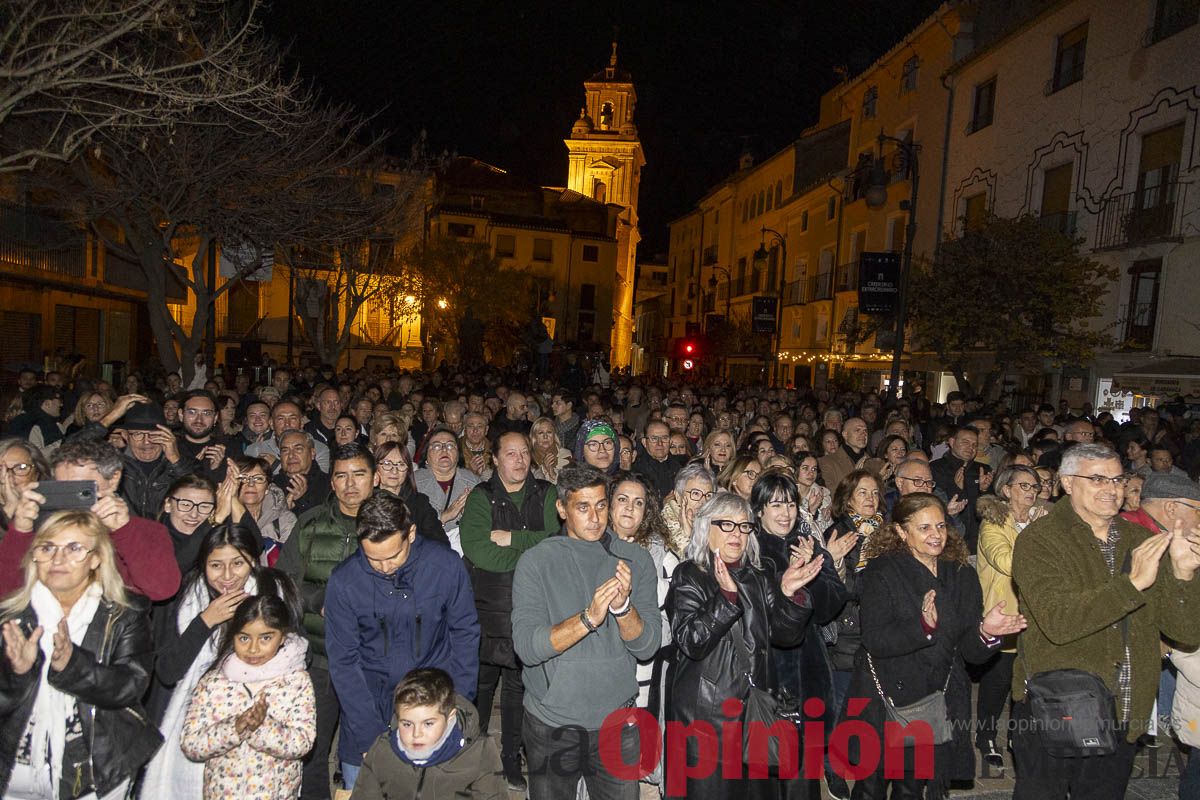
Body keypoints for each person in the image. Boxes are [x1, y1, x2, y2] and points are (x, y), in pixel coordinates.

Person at [1011, 443, 1200, 799]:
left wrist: (1185, 575)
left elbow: (1184, 631)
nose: (1112, 489)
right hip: (1058, 707)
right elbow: (1059, 621)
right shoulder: (1040, 540)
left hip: (1124, 711)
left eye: (1117, 479)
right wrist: (1131, 585)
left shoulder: (1140, 539)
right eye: (1097, 479)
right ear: (1067, 482)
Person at [839, 493, 1023, 799]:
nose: (935, 535)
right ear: (900, 531)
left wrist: (986, 632)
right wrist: (922, 628)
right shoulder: (882, 571)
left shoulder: (960, 572)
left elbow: (968, 653)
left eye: (940, 526)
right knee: (871, 786)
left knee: (911, 787)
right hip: (884, 699)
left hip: (935, 699)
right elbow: (875, 640)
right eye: (924, 528)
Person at [511, 464, 661, 800]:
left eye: (601, 505)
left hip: (616, 723)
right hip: (552, 722)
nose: (594, 518)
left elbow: (648, 646)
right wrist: (589, 619)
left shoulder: (634, 559)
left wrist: (623, 609)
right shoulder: (536, 562)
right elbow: (528, 647)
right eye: (582, 507)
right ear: (562, 508)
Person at [665, 491, 823, 800]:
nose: (737, 533)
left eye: (744, 526)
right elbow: (691, 641)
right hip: (707, 720)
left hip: (754, 713)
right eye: (726, 524)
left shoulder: (757, 577)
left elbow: (786, 636)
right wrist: (725, 599)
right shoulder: (690, 575)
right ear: (705, 528)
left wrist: (789, 594)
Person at [0, 511, 161, 800]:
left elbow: (131, 686)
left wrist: (72, 666)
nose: (58, 559)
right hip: (15, 767)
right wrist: (17, 674)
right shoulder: (10, 615)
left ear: (96, 558)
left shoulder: (124, 613)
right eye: (47, 547)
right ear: (34, 555)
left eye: (74, 548)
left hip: (94, 768)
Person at [324, 492, 479, 790]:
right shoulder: (345, 580)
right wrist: (369, 737)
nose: (383, 567)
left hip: (433, 710)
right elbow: (344, 662)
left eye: (392, 556)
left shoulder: (445, 567)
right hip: (369, 710)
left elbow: (465, 636)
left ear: (411, 533)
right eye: (372, 558)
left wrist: (456, 708)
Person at [140, 524, 289, 800]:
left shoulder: (273, 592)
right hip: (195, 726)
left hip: (258, 726)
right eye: (216, 565)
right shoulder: (187, 598)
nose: (228, 576)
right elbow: (167, 670)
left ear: (253, 562)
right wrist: (206, 620)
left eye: (238, 564)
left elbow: (295, 659)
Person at [458, 430, 559, 791]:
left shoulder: (547, 494)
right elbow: (478, 550)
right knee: (480, 689)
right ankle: (471, 757)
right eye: (510, 454)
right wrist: (531, 554)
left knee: (519, 689)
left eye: (524, 453)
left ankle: (510, 757)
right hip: (487, 609)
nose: (519, 460)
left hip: (531, 610)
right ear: (496, 459)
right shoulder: (482, 498)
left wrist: (512, 538)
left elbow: (555, 542)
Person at [277, 442, 378, 800]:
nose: (350, 484)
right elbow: (283, 582)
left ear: (376, 478)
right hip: (319, 659)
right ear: (331, 481)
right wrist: (320, 600)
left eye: (359, 475)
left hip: (374, 661)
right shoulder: (310, 523)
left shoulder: (392, 525)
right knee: (312, 750)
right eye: (341, 476)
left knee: (374, 749)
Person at [750, 471, 849, 800]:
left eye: (791, 503)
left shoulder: (808, 544)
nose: (785, 512)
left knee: (803, 777)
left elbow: (831, 607)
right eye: (775, 504)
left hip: (810, 668)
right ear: (759, 509)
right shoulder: (750, 552)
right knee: (767, 774)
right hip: (770, 673)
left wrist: (814, 571)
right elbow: (756, 616)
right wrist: (785, 586)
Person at [0, 437, 181, 602]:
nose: (71, 498)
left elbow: (162, 589)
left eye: (81, 489)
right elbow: (6, 594)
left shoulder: (145, 531)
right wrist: (20, 531)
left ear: (113, 479)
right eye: (63, 487)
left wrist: (124, 531)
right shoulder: (41, 529)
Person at [180, 592, 315, 800]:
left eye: (266, 638)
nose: (253, 649)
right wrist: (235, 727)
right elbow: (191, 744)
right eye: (244, 638)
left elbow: (302, 742)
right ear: (232, 636)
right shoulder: (215, 682)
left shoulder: (296, 681)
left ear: (283, 637)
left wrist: (261, 726)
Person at [974, 465, 1046, 768]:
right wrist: (1032, 533)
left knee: (1027, 683)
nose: (1031, 492)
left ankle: (1018, 738)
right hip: (1002, 613)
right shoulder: (994, 523)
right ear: (1007, 489)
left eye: (1035, 487)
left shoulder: (1041, 521)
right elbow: (1006, 561)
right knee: (998, 681)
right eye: (1024, 486)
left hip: (1034, 614)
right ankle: (986, 736)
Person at [351, 668, 506, 799]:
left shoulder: (479, 753)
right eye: (407, 724)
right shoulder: (382, 751)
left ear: (449, 717)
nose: (416, 734)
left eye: (428, 723)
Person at [823, 470, 885, 710]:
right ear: (848, 499)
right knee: (845, 710)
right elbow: (841, 585)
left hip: (881, 630)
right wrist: (880, 584)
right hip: (849, 632)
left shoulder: (888, 532)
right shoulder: (838, 533)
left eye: (875, 493)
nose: (871, 498)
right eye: (863, 492)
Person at [413, 425, 481, 556]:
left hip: (465, 552)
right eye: (437, 446)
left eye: (450, 446)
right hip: (424, 552)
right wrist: (444, 516)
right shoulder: (413, 482)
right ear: (426, 455)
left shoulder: (473, 482)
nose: (444, 449)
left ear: (458, 453)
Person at [930, 425, 993, 554]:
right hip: (948, 542)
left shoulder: (983, 470)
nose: (971, 448)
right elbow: (937, 506)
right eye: (965, 442)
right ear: (952, 442)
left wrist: (984, 490)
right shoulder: (935, 469)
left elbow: (992, 507)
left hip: (979, 542)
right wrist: (956, 489)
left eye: (974, 445)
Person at [371, 441, 449, 546]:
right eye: (387, 464)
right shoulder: (367, 503)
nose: (394, 471)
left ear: (408, 470)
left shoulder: (420, 503)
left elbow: (440, 543)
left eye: (401, 464)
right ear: (376, 468)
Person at [235, 455, 297, 567]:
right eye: (243, 478)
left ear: (267, 487)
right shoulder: (222, 517)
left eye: (258, 478)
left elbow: (288, 564)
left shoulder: (284, 520)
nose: (250, 484)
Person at [270, 430, 331, 518]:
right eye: (285, 451)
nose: (291, 455)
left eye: (298, 449)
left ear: (312, 453)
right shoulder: (270, 485)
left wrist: (302, 501)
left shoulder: (329, 485)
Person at [819, 417, 881, 491]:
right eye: (857, 430)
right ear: (845, 434)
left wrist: (881, 480)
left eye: (865, 430)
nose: (863, 434)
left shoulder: (872, 462)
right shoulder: (827, 461)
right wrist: (854, 478)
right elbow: (830, 495)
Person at [0, 439, 49, 529]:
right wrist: (10, 507)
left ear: (36, 474)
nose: (9, 476)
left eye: (21, 467)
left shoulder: (49, 514)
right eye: (0, 469)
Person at [633, 420, 685, 499]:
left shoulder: (680, 468)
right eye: (654, 438)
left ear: (670, 441)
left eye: (664, 438)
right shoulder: (636, 471)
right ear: (644, 442)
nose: (660, 443)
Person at [529, 416, 571, 484]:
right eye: (541, 433)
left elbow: (568, 485)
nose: (545, 437)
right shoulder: (528, 457)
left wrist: (552, 473)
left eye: (549, 432)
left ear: (554, 435)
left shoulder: (565, 454)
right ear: (534, 437)